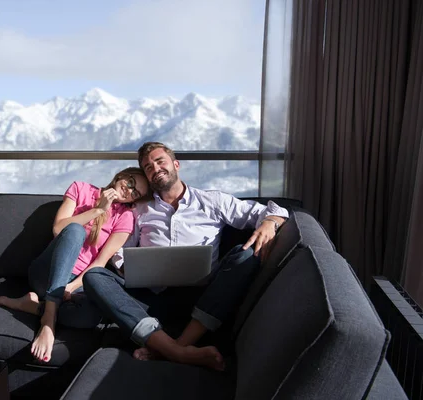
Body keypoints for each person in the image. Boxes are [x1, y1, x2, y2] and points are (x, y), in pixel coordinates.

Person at [83, 142, 288, 370]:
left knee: (244, 256)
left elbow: (275, 211)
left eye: (160, 161)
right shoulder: (140, 211)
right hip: (151, 300)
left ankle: (178, 344)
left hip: (203, 299)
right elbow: (119, 250)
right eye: (148, 167)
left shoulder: (212, 201)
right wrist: (126, 268)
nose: (155, 168)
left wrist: (270, 223)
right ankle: (175, 351)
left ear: (176, 164)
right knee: (94, 277)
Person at [0, 167, 151, 363]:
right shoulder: (80, 188)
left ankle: (33, 306)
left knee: (91, 317)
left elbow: (100, 264)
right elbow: (58, 228)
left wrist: (72, 286)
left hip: (78, 282)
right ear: (122, 175)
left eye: (135, 193)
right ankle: (48, 321)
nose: (128, 190)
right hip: (46, 272)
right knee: (75, 230)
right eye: (131, 182)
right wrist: (99, 209)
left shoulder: (125, 217)